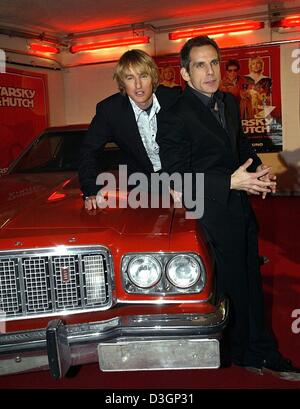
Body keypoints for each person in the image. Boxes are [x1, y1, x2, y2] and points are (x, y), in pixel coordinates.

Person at [157, 35, 300, 381]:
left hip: (239, 208)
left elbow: (238, 145)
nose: (210, 71)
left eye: (215, 63)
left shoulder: (229, 103)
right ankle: (259, 351)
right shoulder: (175, 116)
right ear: (185, 74)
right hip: (209, 214)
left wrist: (256, 170)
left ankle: (246, 350)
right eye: (200, 65)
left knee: (248, 280)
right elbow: (175, 176)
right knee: (237, 285)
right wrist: (229, 183)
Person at [79, 49, 181, 210]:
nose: (138, 85)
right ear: (122, 82)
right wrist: (91, 189)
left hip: (183, 180)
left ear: (153, 78)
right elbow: (88, 151)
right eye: (130, 78)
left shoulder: (175, 99)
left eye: (143, 76)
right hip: (142, 189)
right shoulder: (110, 111)